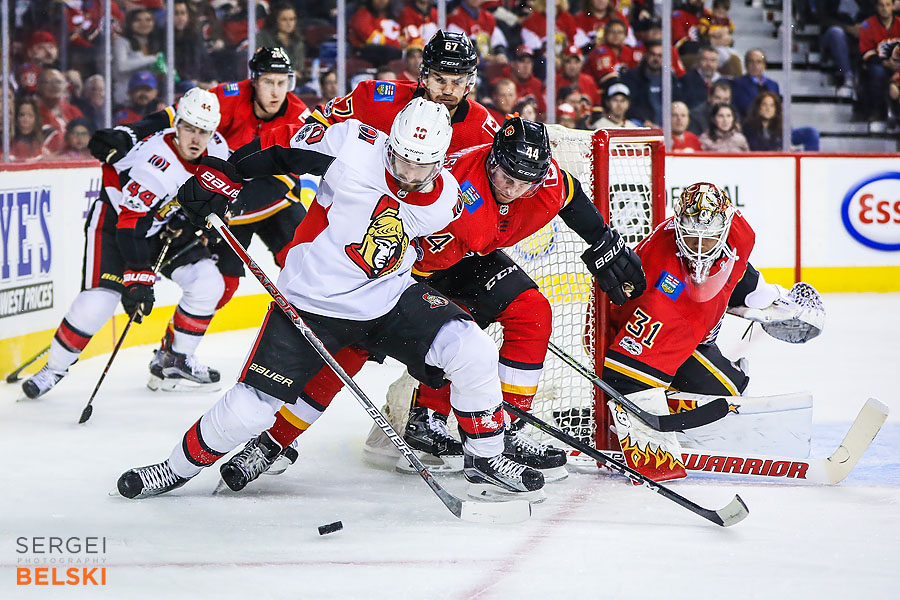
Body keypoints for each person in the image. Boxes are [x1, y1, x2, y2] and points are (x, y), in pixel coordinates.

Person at [117, 98, 547, 503]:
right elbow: (280, 146)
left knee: (469, 348)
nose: (408, 176)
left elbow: (442, 251)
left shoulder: (447, 197)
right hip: (310, 302)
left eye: (422, 167)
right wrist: (225, 173)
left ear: (440, 161)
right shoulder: (352, 144)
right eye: (401, 161)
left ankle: (486, 457)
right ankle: (174, 468)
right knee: (250, 409)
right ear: (390, 143)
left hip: (387, 299)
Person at [219, 116, 647, 488]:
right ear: (492, 159)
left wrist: (602, 239)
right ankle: (274, 441)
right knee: (347, 356)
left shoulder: (543, 180)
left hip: (468, 260)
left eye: (525, 182)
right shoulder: (458, 187)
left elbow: (570, 195)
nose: (513, 189)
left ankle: (504, 430)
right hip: (411, 271)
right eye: (505, 176)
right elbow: (407, 255)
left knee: (532, 312)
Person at [89, 47, 312, 390]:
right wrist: (132, 133)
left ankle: (317, 341)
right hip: (226, 203)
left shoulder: (298, 114)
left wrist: (228, 201)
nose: (275, 91)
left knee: (303, 268)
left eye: (282, 82)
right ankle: (171, 354)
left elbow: (290, 172)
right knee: (222, 287)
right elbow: (178, 115)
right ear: (254, 81)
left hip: (272, 201)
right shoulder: (228, 98)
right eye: (268, 81)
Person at [22, 89, 228, 400]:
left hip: (161, 222)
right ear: (177, 125)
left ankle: (175, 359)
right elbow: (131, 225)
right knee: (99, 303)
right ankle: (53, 369)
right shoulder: (154, 166)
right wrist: (138, 278)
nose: (196, 139)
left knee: (208, 282)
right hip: (117, 221)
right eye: (189, 128)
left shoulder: (219, 149)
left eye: (204, 131)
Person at [603, 182, 820, 399]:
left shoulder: (739, 233)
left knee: (732, 388)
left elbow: (735, 264)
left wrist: (763, 293)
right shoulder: (661, 284)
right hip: (627, 332)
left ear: (725, 229)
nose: (699, 248)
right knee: (726, 397)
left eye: (709, 238)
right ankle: (672, 394)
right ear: (678, 228)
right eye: (691, 237)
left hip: (683, 323)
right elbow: (624, 378)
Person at [309, 30, 500, 155]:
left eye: (457, 82)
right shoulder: (378, 97)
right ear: (424, 76)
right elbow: (321, 121)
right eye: (439, 80)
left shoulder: (482, 126)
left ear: (469, 82)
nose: (448, 90)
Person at [257, 2, 305, 81]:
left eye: (292, 19)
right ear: (275, 20)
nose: (289, 23)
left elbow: (299, 69)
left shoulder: (298, 41)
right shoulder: (263, 37)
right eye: (284, 19)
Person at [730, 49, 780, 119]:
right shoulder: (737, 83)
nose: (755, 65)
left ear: (764, 65)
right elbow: (743, 107)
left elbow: (777, 109)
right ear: (745, 64)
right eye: (751, 62)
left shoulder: (773, 85)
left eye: (759, 62)